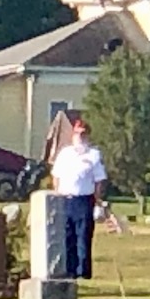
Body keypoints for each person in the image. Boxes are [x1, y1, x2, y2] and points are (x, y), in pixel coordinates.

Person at [50, 118, 108, 280]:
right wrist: (57, 194)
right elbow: (56, 176)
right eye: (77, 133)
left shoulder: (94, 155)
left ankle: (83, 271)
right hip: (65, 199)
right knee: (67, 237)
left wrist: (97, 200)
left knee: (83, 237)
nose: (80, 136)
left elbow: (99, 180)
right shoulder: (65, 153)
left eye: (83, 133)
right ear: (73, 134)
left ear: (88, 135)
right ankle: (69, 270)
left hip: (84, 200)